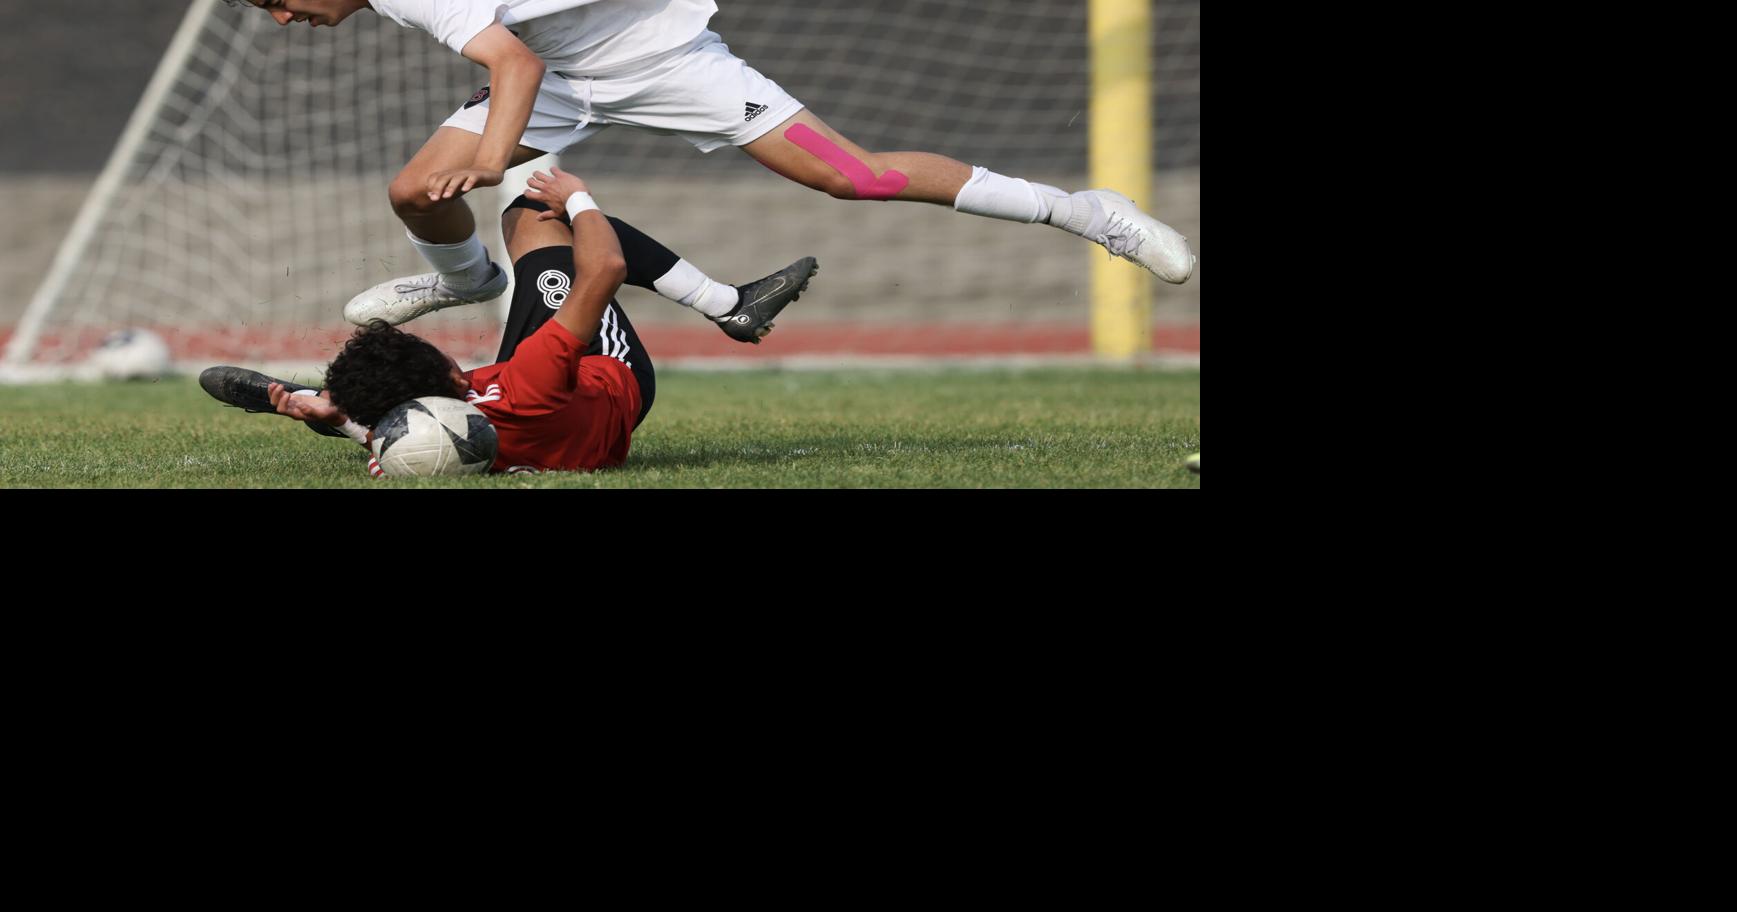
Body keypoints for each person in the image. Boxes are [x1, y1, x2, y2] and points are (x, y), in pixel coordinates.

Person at [222, 0, 1195, 335]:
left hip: (664, 59)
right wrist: (486, 155)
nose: (280, 16)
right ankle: (470, 280)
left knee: (853, 177)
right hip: (563, 78)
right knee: (408, 192)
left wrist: (485, 158)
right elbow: (523, 59)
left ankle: (1085, 213)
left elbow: (506, 63)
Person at [201, 167, 815, 473]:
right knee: (541, 213)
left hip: (525, 416)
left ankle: (308, 400)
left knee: (346, 416)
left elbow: (386, 426)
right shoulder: (533, 381)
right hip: (610, 378)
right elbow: (604, 268)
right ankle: (728, 304)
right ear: (448, 377)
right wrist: (579, 195)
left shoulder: (413, 443)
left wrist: (329, 411)